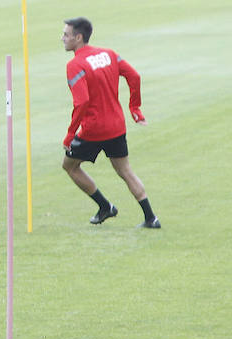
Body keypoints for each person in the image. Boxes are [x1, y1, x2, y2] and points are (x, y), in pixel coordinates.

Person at [60, 17, 159, 228]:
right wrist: (134, 108)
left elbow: (82, 102)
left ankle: (105, 207)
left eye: (66, 35)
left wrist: (70, 135)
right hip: (116, 126)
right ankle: (151, 217)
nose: (63, 39)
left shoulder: (75, 65)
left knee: (70, 166)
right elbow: (134, 76)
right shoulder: (109, 54)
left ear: (78, 37)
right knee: (125, 171)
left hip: (93, 130)